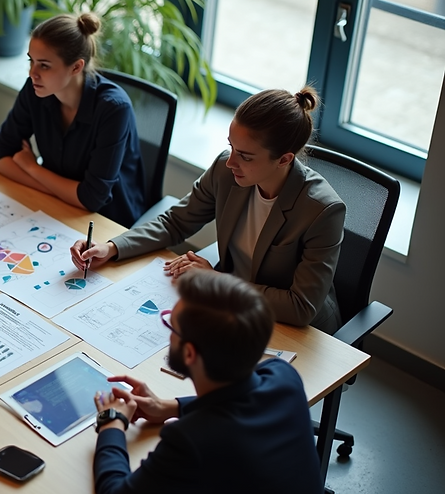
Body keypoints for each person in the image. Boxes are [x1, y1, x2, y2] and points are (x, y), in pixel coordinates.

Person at [71, 87, 345, 333]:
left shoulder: (322, 211)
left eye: (245, 156)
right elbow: (174, 223)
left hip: (291, 328)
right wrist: (112, 248)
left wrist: (217, 281)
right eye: (231, 147)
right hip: (230, 307)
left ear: (284, 159)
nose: (231, 162)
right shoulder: (226, 171)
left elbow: (300, 307)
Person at [91, 270, 323, 493]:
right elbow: (237, 398)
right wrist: (169, 407)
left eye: (172, 325)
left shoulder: (190, 441)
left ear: (190, 353)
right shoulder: (283, 374)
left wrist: (112, 422)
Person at [0, 12, 146, 227]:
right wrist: (60, 191)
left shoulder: (113, 109)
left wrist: (32, 167)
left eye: (44, 65)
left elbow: (91, 199)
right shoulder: (35, 90)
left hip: (107, 223)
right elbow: (0, 155)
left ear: (76, 67)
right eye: (31, 61)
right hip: (57, 207)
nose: (32, 73)